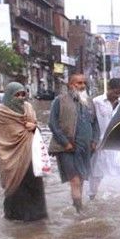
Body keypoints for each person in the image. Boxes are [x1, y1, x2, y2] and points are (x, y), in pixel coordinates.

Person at [0, 82, 48, 221]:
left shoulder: (28, 108)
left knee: (34, 185)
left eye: (23, 94)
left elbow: (36, 130)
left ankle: (37, 218)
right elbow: (0, 138)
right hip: (12, 158)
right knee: (18, 188)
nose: (21, 97)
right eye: (17, 95)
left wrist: (33, 127)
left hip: (31, 155)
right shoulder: (1, 113)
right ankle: (16, 217)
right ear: (9, 95)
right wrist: (25, 129)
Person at [48, 74, 99, 213]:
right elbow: (52, 124)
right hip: (67, 149)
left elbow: (95, 124)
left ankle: (77, 205)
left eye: (84, 83)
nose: (82, 85)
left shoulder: (89, 102)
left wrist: (94, 141)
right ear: (70, 85)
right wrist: (65, 143)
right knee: (75, 180)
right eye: (78, 83)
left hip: (86, 148)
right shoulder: (60, 101)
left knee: (82, 179)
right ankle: (79, 211)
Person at [88, 78, 120, 201]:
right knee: (96, 173)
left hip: (119, 142)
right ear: (109, 88)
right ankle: (91, 197)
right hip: (101, 142)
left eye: (119, 94)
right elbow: (91, 122)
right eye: (115, 92)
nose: (116, 96)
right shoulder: (96, 102)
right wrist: (92, 140)